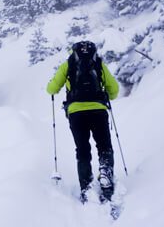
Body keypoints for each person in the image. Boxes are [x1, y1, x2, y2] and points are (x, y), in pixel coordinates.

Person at [46, 40, 119, 202]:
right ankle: (105, 172)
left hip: (76, 113)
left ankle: (86, 186)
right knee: (104, 145)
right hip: (98, 110)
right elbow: (114, 90)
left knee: (82, 149)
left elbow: (51, 89)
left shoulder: (68, 64)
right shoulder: (98, 63)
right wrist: (106, 94)